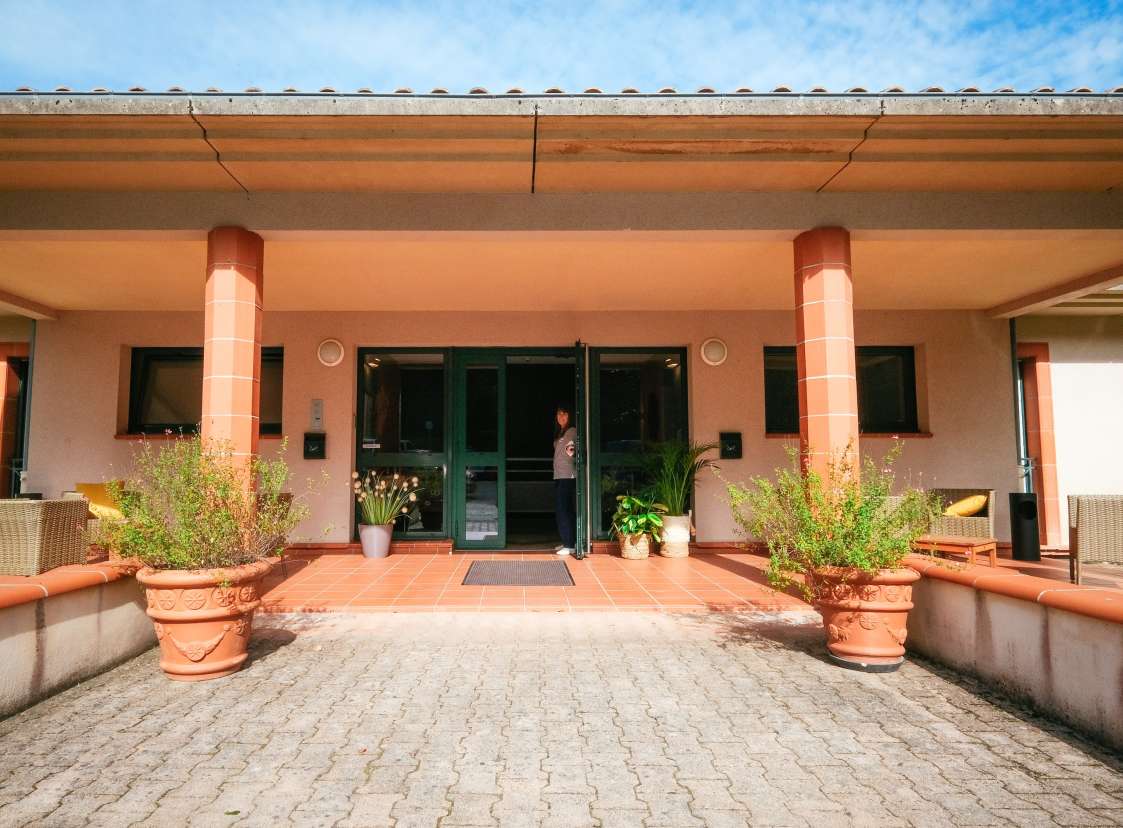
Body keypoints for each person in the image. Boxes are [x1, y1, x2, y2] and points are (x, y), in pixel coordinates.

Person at [552, 406, 577, 555]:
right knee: (564, 508)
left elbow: (571, 451)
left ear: (570, 415)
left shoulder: (571, 431)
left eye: (565, 414)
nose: (561, 416)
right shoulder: (561, 432)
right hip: (560, 475)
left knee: (564, 510)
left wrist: (571, 456)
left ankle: (569, 545)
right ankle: (567, 541)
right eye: (559, 414)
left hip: (567, 475)